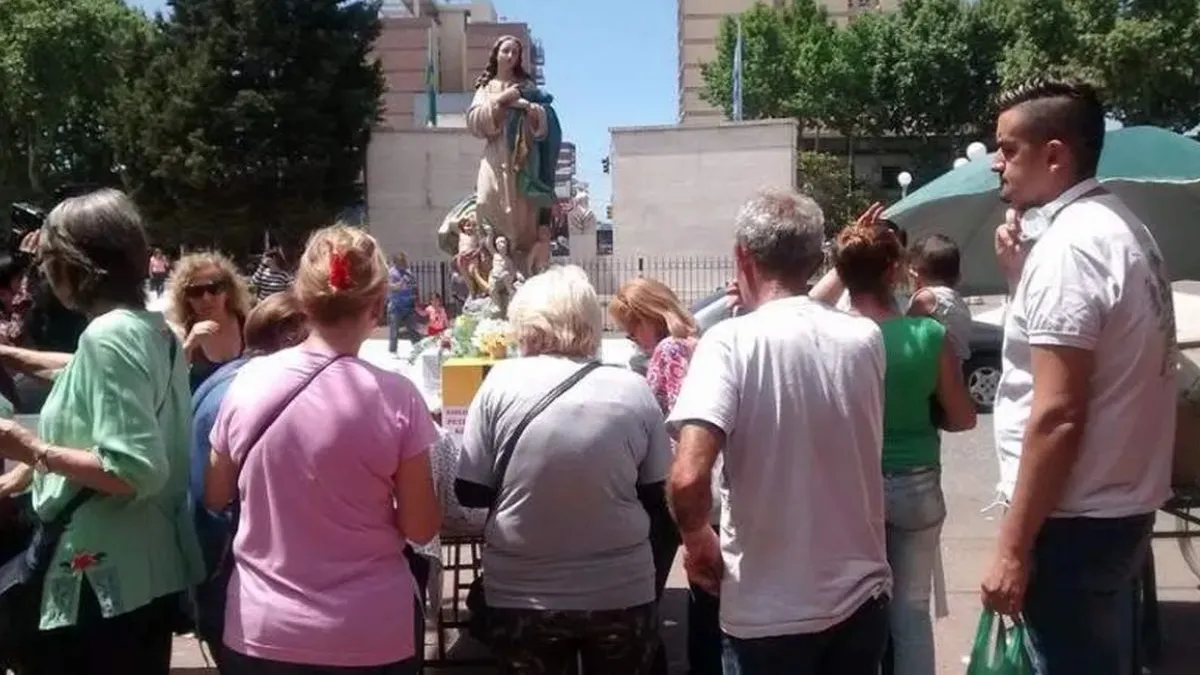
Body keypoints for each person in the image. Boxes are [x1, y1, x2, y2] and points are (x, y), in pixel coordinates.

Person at [981, 79, 1175, 675]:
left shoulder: (1071, 248)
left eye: (1008, 149)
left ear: (1055, 155)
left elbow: (1059, 413)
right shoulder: (1120, 226)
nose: (995, 163)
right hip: (1113, 510)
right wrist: (1021, 277)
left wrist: (1012, 547)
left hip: (1073, 524)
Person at [667, 188, 891, 675]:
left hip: (767, 614)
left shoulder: (729, 343)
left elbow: (687, 477)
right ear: (813, 258)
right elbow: (803, 319)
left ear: (742, 256)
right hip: (861, 599)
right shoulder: (864, 338)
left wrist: (697, 539)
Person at [205, 224, 441, 674]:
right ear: (377, 306)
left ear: (302, 300)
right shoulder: (398, 398)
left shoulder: (247, 383)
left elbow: (215, 493)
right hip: (370, 629)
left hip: (263, 627)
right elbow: (420, 525)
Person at [0, 188, 202, 674]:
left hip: (98, 585)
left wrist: (30, 449)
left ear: (76, 264)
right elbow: (89, 372)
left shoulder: (107, 336)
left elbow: (133, 470)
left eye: (47, 258)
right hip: (144, 568)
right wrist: (12, 355)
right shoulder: (151, 329)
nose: (42, 271)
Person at [455, 265, 671, 674]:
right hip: (620, 588)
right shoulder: (632, 389)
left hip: (522, 590)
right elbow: (658, 491)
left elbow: (471, 490)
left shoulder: (499, 383)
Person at [831, 222, 976, 675]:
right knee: (911, 613)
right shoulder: (927, 336)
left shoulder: (830, 338)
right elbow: (964, 417)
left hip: (851, 490)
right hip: (916, 485)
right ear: (894, 271)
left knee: (850, 613)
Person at [189, 290, 310, 669]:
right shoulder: (254, 393)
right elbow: (219, 497)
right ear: (292, 339)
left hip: (213, 570)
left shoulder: (221, 380)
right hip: (240, 579)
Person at [609, 277, 718, 675]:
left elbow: (672, 420)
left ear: (648, 317)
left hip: (669, 481)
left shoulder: (668, 351)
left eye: (630, 327)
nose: (630, 337)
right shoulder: (696, 344)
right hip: (704, 480)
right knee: (707, 585)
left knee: (647, 586)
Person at [465, 34, 562, 274]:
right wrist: (501, 101)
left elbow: (546, 120)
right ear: (496, 55)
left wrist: (533, 112)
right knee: (485, 200)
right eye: (505, 51)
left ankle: (523, 271)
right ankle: (492, 267)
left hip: (522, 160)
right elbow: (475, 122)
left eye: (515, 52)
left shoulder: (526, 87)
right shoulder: (487, 88)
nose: (510, 56)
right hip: (495, 156)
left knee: (523, 216)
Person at [167, 251, 252, 391]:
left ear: (228, 291)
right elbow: (169, 384)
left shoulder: (249, 325)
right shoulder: (180, 333)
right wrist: (189, 346)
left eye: (214, 288)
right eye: (196, 292)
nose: (206, 298)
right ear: (185, 298)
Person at [907, 234, 971, 361]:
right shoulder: (957, 300)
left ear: (917, 273)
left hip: (933, 367)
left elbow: (904, 330)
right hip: (957, 365)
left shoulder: (926, 298)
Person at [386, 253, 420, 355]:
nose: (405, 263)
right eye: (402, 261)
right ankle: (393, 350)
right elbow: (390, 286)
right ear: (396, 262)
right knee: (394, 330)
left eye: (405, 261)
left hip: (408, 305)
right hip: (396, 307)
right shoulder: (391, 273)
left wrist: (415, 297)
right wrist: (400, 285)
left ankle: (418, 347)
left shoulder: (408, 272)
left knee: (412, 328)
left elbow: (414, 285)